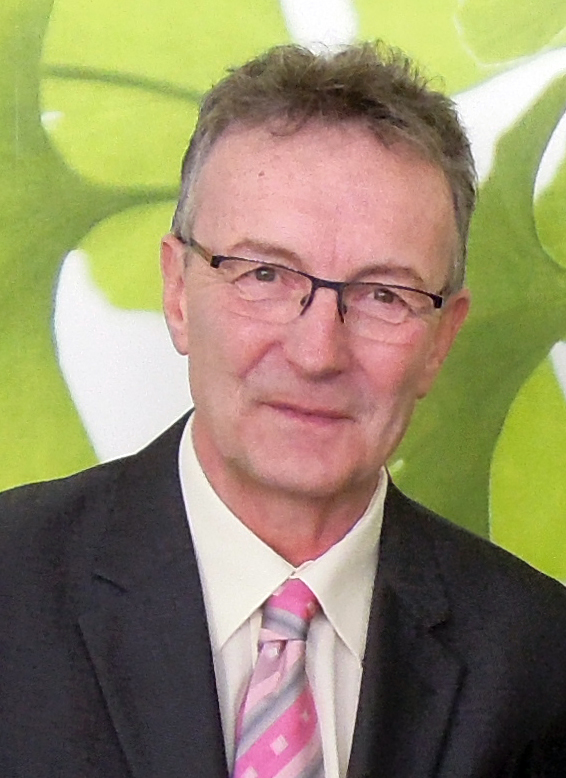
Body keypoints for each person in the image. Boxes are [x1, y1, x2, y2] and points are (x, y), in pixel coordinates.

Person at [1, 42, 566, 778]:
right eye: (264, 274)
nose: (316, 353)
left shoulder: (541, 664)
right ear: (178, 291)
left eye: (384, 294)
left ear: (441, 340)